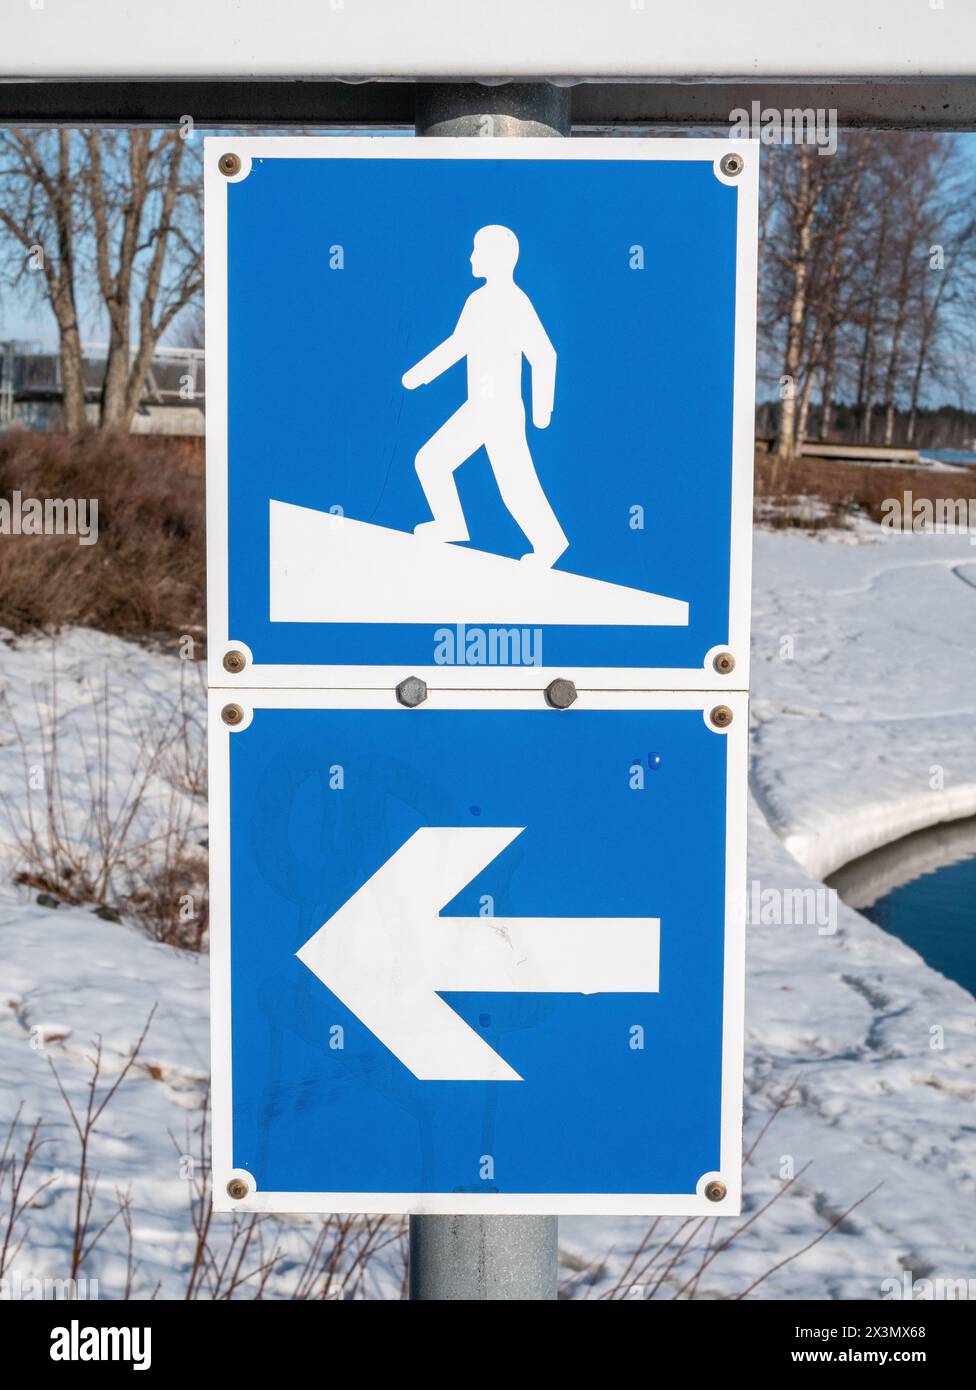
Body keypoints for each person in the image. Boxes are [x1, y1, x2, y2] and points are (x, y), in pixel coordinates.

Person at [402, 225, 568, 568]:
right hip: (479, 408)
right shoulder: (476, 300)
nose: (471, 257)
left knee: (515, 485)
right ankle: (451, 523)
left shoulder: (515, 302)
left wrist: (542, 410)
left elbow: (544, 354)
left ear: (495, 259)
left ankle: (550, 543)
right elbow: (458, 343)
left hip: (502, 412)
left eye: (477, 251)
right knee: (431, 461)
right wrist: (421, 373)